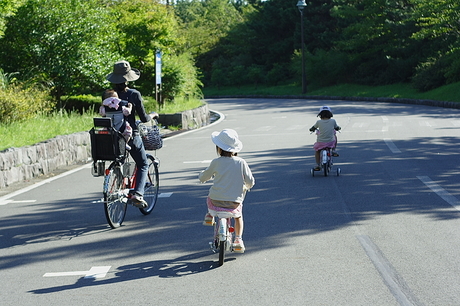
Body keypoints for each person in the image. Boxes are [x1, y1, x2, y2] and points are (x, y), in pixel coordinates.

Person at [106, 60, 159, 208]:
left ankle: (121, 184)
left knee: (121, 158)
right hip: (130, 135)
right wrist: (153, 115)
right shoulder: (134, 94)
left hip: (112, 136)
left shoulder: (107, 96)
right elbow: (143, 118)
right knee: (142, 164)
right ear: (128, 78)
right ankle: (138, 194)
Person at [198, 129, 255, 253]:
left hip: (215, 202)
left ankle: (210, 215)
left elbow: (205, 176)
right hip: (233, 203)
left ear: (219, 148)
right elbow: (250, 181)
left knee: (210, 195)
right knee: (238, 216)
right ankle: (238, 239)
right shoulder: (241, 162)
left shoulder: (216, 162)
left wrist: (201, 176)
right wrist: (247, 186)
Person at [309, 106, 341, 171]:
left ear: (320, 114)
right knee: (334, 136)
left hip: (320, 143)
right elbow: (337, 127)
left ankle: (318, 164)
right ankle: (334, 150)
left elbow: (313, 128)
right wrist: (338, 128)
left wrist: (311, 129)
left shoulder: (318, 122)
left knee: (317, 151)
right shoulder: (333, 121)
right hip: (330, 142)